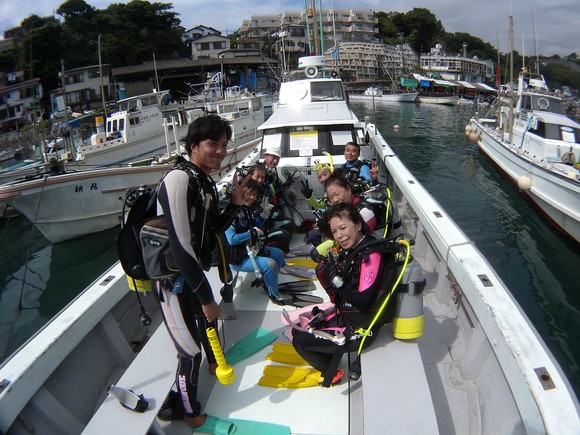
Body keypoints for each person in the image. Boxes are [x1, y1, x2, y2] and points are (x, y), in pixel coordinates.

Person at [155, 115, 251, 429]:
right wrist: (208, 298)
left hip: (192, 277)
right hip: (174, 283)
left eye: (224, 145)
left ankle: (213, 365)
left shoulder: (202, 180)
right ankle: (189, 412)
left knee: (205, 326)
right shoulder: (179, 179)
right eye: (213, 144)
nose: (221, 151)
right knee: (189, 353)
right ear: (194, 145)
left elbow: (210, 235)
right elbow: (182, 249)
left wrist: (234, 205)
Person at [292, 202, 396, 386]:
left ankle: (332, 373)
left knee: (299, 340)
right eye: (335, 231)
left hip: (363, 329)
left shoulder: (371, 255)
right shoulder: (357, 249)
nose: (339, 235)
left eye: (343, 228)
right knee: (300, 326)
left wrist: (337, 281)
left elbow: (363, 303)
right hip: (351, 318)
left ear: (357, 224)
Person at [224, 179, 293, 304]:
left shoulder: (246, 209)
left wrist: (264, 216)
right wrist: (252, 233)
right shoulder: (230, 213)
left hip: (250, 250)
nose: (252, 197)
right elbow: (232, 239)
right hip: (237, 259)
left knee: (279, 254)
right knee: (270, 264)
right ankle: (274, 296)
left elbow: (254, 226)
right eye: (249, 193)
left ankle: (269, 285)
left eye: (255, 195)